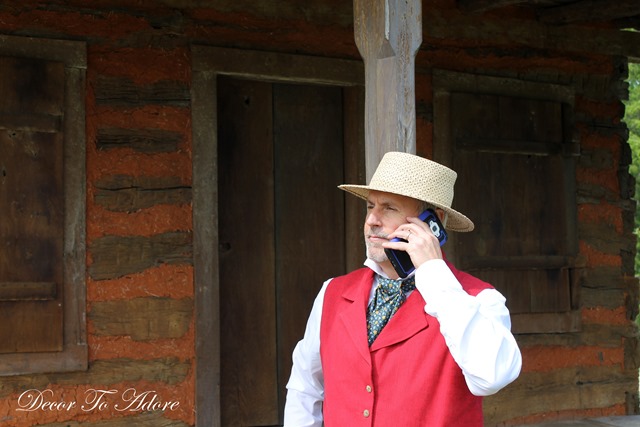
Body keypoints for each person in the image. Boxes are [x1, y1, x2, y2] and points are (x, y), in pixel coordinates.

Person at [283, 151, 522, 427]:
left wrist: (433, 272)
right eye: (370, 206)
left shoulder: (479, 300)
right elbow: (306, 387)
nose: (372, 219)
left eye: (389, 208)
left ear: (434, 221)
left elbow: (493, 376)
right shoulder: (331, 293)